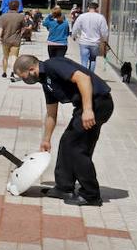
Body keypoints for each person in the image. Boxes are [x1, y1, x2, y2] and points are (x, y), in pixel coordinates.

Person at [13, 54, 113, 206]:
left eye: (23, 76)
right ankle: (64, 187)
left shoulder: (53, 65)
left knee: (77, 148)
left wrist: (88, 110)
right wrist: (46, 140)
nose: (24, 80)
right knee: (67, 142)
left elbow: (83, 78)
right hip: (86, 106)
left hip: (97, 103)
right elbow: (51, 114)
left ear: (32, 69)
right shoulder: (46, 83)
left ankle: (91, 194)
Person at [72, 2, 110, 72]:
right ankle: (91, 75)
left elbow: (75, 27)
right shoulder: (101, 17)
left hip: (84, 42)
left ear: (88, 8)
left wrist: (74, 36)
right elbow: (104, 31)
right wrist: (105, 39)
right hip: (95, 43)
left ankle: (84, 75)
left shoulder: (82, 16)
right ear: (97, 9)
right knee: (93, 60)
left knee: (84, 60)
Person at [0, 0, 27, 79]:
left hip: (5, 40)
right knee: (14, 57)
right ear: (17, 7)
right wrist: (21, 33)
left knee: (5, 56)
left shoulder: (3, 16)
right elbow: (24, 27)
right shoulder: (21, 17)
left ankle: (4, 72)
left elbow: (0, 28)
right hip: (16, 40)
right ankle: (12, 72)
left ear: (9, 7)